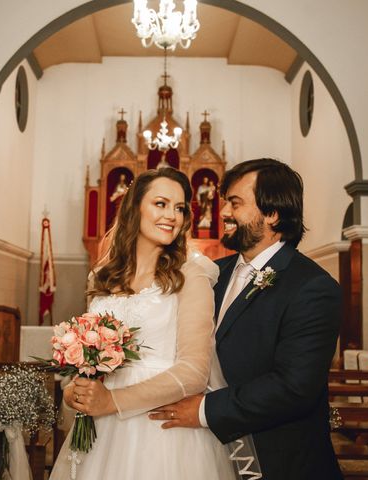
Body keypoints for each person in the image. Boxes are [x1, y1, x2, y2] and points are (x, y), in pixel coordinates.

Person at [149, 158, 343, 480]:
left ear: (272, 214)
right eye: (225, 202)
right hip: (207, 457)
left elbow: (294, 387)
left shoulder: (313, 287)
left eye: (235, 203)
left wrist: (203, 410)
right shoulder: (213, 274)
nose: (223, 212)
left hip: (279, 462)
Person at [49, 168, 236, 480]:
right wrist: (74, 392)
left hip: (162, 430)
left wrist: (113, 401)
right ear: (135, 206)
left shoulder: (191, 275)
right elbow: (88, 359)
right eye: (161, 204)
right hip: (102, 431)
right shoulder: (104, 275)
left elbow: (194, 372)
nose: (172, 216)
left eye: (179, 208)